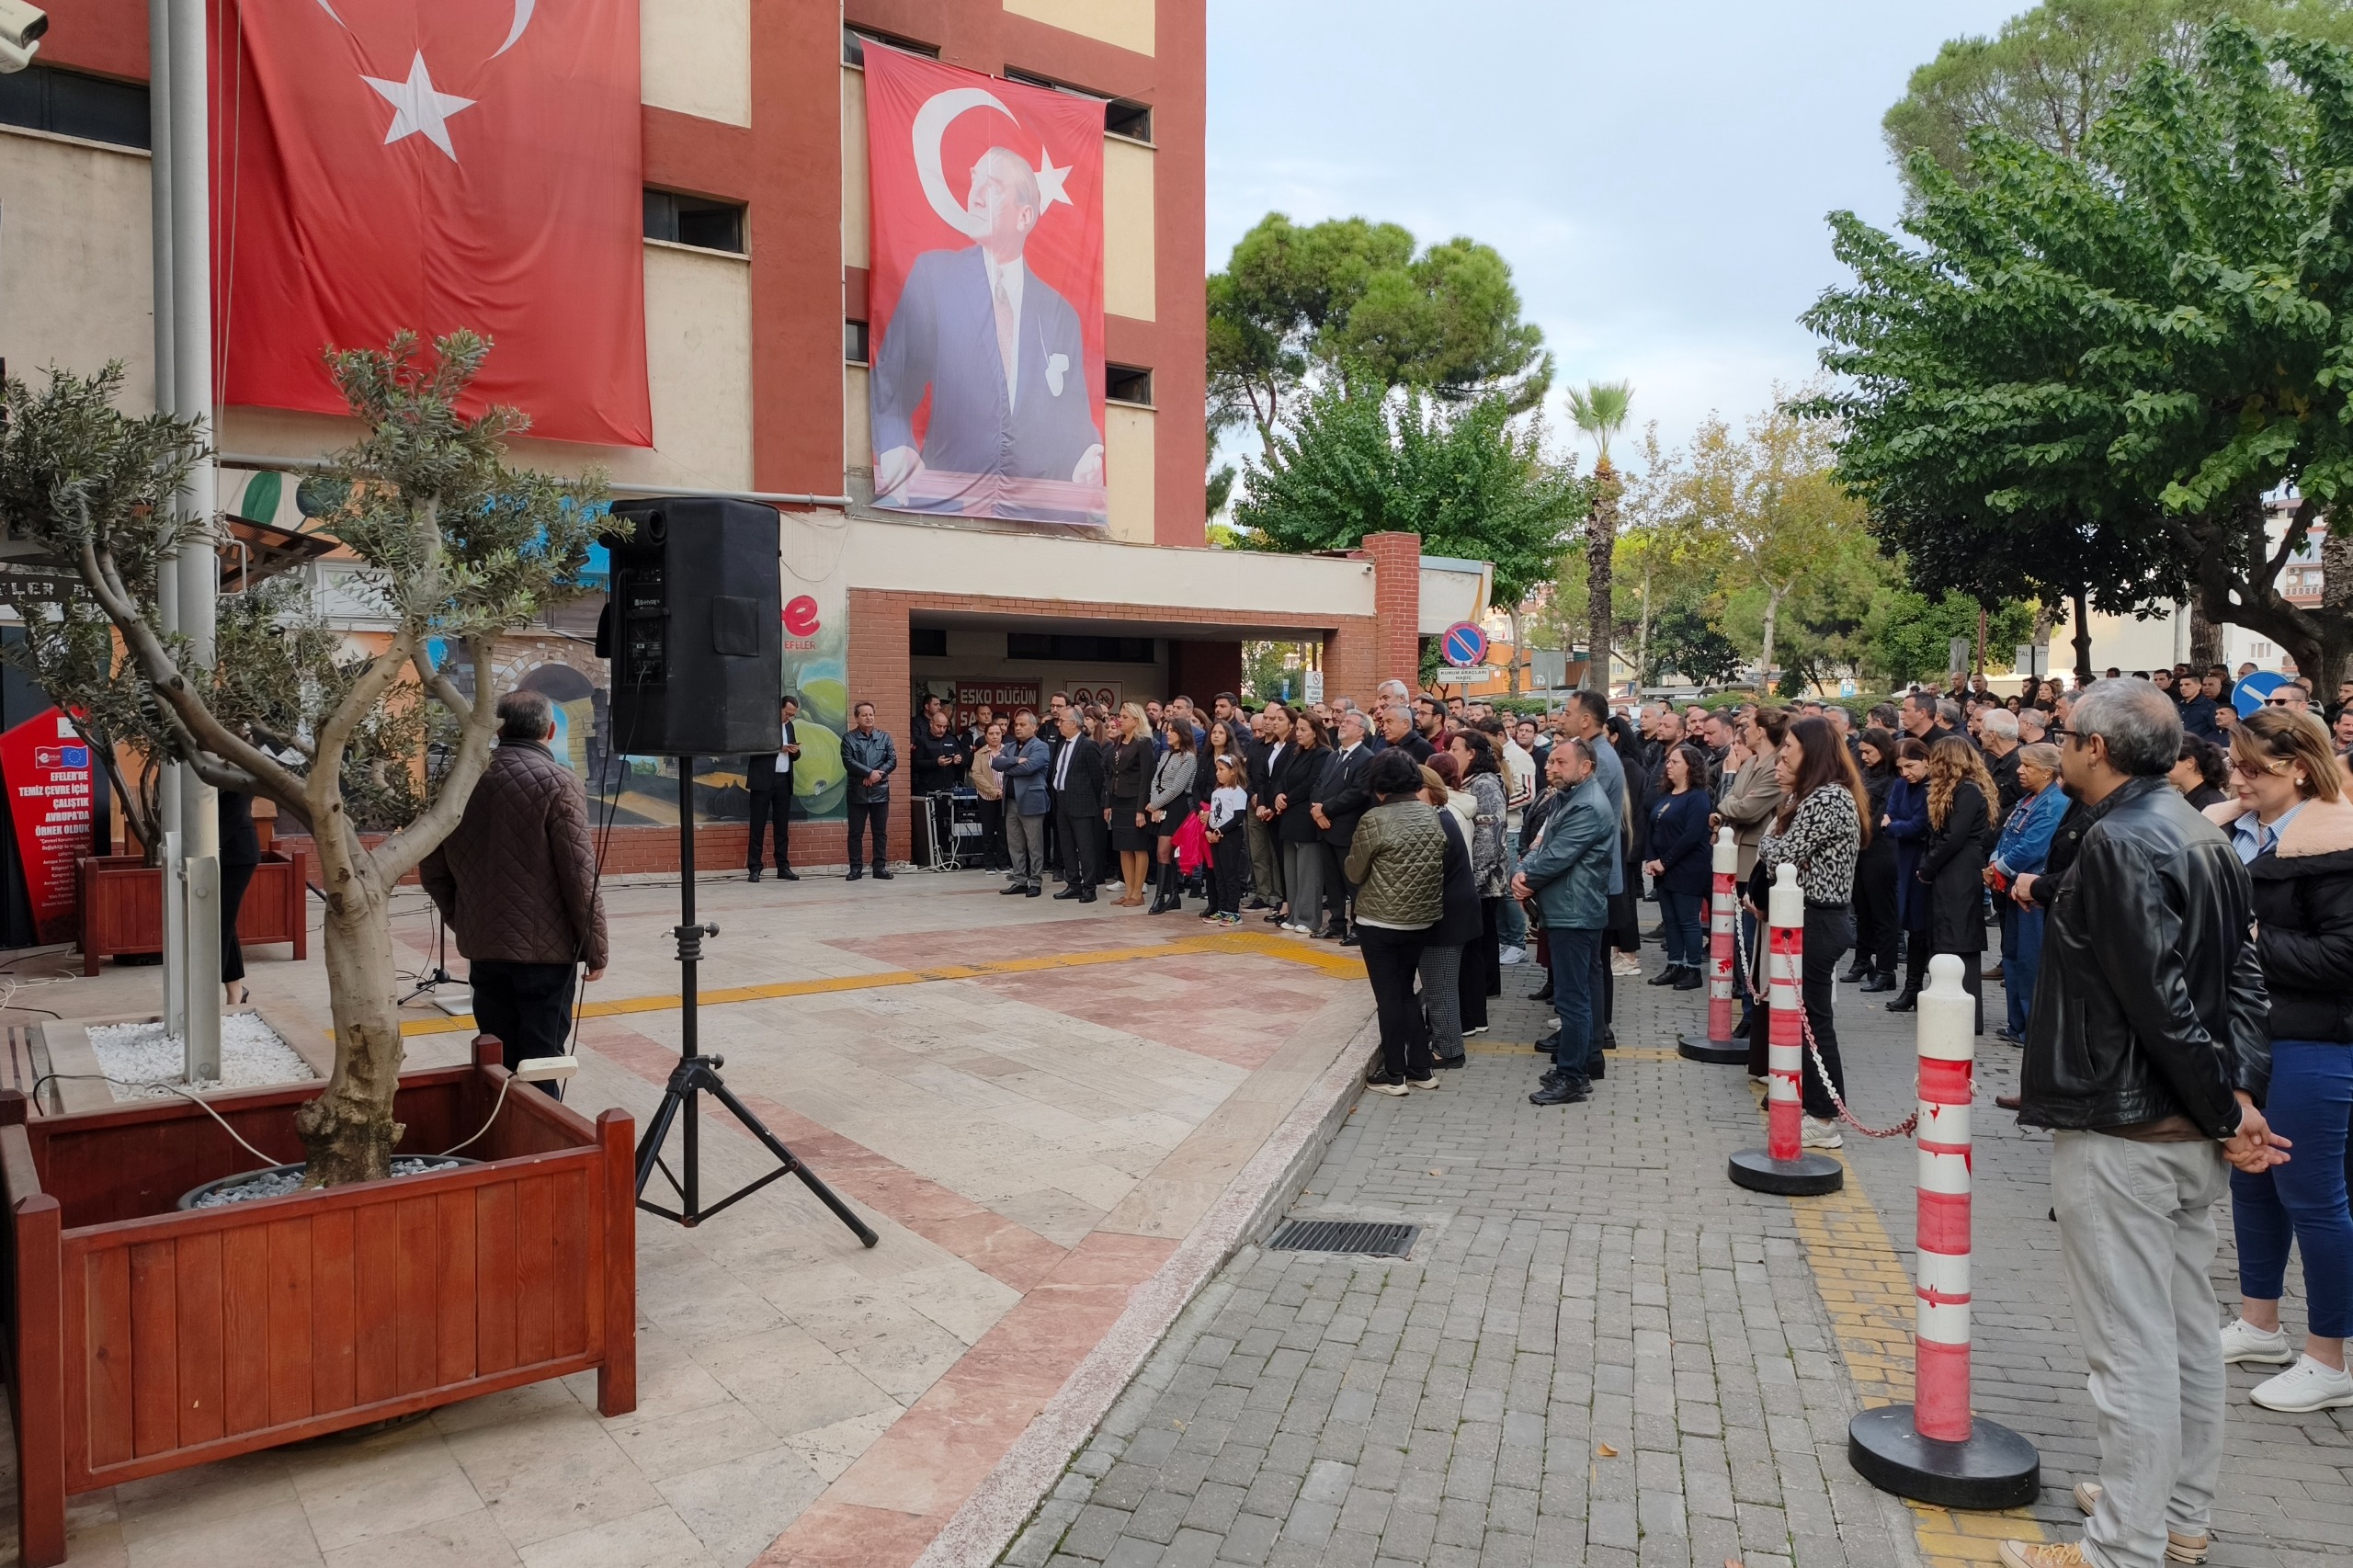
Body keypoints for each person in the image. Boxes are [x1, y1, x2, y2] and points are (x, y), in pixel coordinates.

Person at [2001, 679, 2282, 1568]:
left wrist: (2225, 1107)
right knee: (2183, 1331)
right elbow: (2240, 982)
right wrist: (2233, 1099)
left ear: (2095, 747)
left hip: (2127, 1127)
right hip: (2181, 1125)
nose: (2054, 743)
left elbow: (2160, 1000)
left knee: (2133, 1346)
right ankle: (2174, 1509)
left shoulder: (2126, 841)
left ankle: (2124, 1541)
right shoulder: (2202, 831)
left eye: (2066, 733)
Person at [2204, 710, 2353, 1413]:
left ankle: (2330, 1357)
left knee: (2314, 1196)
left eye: (2252, 768)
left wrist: (2250, 937)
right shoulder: (2245, 826)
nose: (2238, 777)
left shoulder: (2335, 838)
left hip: (2317, 1041)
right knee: (2253, 1182)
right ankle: (2260, 1322)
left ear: (2298, 767)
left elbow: (2342, 959)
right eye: (2235, 764)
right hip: (2257, 1035)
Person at [870, 148, 1106, 515]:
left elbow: (1072, 419)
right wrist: (895, 444)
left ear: (1024, 215)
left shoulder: (1060, 313)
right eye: (974, 178)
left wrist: (1088, 454)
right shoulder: (935, 278)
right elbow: (893, 379)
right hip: (946, 506)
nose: (974, 193)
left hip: (1036, 518)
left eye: (992, 186)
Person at [419, 690, 607, 1087]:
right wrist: (596, 950)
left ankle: (499, 1136)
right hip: (547, 953)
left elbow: (433, 868)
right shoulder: (559, 783)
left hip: (485, 947)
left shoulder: (462, 779)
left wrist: (465, 918)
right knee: (541, 1060)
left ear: (498, 729)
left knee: (495, 1054)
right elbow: (579, 876)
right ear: (550, 730)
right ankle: (541, 1144)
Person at [1753, 717, 1867, 1148]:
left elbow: (1781, 852)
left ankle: (1823, 1115)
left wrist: (1770, 835)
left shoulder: (1828, 799)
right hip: (1806, 916)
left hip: (1818, 918)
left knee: (1814, 1021)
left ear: (1813, 752)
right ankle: (1808, 1101)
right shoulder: (1814, 796)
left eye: (1790, 750)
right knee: (1803, 1019)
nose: (1782, 758)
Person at [1342, 750, 1448, 1095]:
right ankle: (1421, 1068)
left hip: (1380, 920)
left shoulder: (1374, 819)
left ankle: (1394, 1073)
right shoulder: (1431, 815)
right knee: (1404, 991)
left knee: (1388, 996)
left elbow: (1355, 870)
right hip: (1421, 918)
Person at [1515, 739, 1614, 1106]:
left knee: (1574, 999)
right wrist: (1525, 869)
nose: (1549, 767)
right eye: (1550, 761)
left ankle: (1572, 1076)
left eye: (1560, 762)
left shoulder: (1586, 804)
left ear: (1585, 767)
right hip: (1572, 909)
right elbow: (1541, 846)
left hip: (1574, 913)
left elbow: (1556, 857)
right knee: (1584, 990)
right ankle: (1587, 1061)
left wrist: (1523, 879)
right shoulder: (1569, 797)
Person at [1919, 734, 1998, 1034]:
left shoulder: (1967, 792)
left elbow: (1955, 837)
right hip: (1953, 869)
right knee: (1948, 934)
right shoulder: (1962, 790)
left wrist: (1928, 866)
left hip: (1960, 870)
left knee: (1959, 936)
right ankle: (1950, 1008)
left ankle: (1966, 1016)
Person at [1989, 743, 2066, 1045]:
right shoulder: (2029, 799)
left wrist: (2000, 868)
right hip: (2011, 889)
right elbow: (2007, 835)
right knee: (2012, 956)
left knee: (2030, 960)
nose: (2020, 771)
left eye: (2028, 766)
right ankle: (2015, 1022)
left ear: (2048, 772)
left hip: (2031, 893)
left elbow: (2033, 847)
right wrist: (1995, 863)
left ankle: (2030, 1027)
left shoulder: (2053, 804)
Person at [1415, 756, 1479, 1070]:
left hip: (1448, 917)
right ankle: (1445, 1043)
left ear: (1430, 790)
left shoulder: (1437, 821)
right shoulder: (1441, 816)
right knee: (1440, 985)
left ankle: (1448, 1051)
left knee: (1440, 987)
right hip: (1453, 913)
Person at [1449, 729, 1510, 1033]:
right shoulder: (1470, 782)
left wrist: (1471, 883)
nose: (1451, 753)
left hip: (1482, 885)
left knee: (1473, 951)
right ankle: (1474, 1014)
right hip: (1472, 884)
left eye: (1455, 748)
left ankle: (1473, 1018)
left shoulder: (1486, 786)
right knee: (1472, 950)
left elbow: (1490, 839)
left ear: (1471, 753)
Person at [1642, 742, 1713, 991]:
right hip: (1663, 869)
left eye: (1675, 762)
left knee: (1687, 920)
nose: (1668, 766)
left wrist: (1665, 861)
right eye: (1668, 762)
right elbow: (1653, 826)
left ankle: (1692, 969)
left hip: (1687, 868)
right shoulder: (1666, 795)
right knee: (1670, 921)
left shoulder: (1698, 798)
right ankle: (1674, 964)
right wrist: (1652, 858)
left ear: (1690, 767)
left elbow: (1692, 835)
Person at [1313, 710, 1376, 942]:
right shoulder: (1333, 755)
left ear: (1361, 731)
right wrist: (1316, 809)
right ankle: (1336, 923)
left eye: (1349, 723)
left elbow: (1357, 793)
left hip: (1346, 828)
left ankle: (1358, 926)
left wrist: (1325, 809)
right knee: (1333, 880)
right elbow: (1318, 784)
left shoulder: (1366, 757)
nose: (1342, 725)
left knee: (1352, 880)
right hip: (1325, 827)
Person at [1882, 737, 1934, 1009]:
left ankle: (1921, 987)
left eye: (1911, 766)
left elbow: (1919, 825)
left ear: (1926, 760)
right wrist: (1897, 825)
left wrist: (1893, 827)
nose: (1905, 773)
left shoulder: (1931, 787)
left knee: (1923, 927)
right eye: (1901, 768)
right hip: (1905, 858)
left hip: (1923, 859)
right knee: (1913, 927)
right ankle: (1911, 988)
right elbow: (1889, 814)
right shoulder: (1902, 785)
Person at [1848, 728, 1901, 994]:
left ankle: (1885, 969)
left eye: (1870, 752)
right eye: (1862, 752)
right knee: (1863, 909)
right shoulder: (1866, 773)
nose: (1865, 757)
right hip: (1861, 848)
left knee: (1882, 913)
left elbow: (1882, 815)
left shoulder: (1893, 779)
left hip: (1881, 849)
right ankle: (1862, 960)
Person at [1277, 712, 1336, 937]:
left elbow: (1311, 783)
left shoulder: (1322, 754)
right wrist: (1278, 796)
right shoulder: (1295, 752)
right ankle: (1294, 914)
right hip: (1289, 816)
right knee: (1292, 871)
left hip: (1306, 816)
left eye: (1303, 729)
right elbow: (1283, 778)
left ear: (1315, 731)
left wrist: (1288, 798)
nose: (1298, 733)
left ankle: (1309, 918)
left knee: (1308, 871)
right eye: (1297, 729)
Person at [992, 710, 1052, 896]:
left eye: (1023, 725)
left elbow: (1030, 767)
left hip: (1031, 801)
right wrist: (1016, 760)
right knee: (1015, 844)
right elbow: (995, 763)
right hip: (1010, 803)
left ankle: (1035, 882)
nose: (1018, 728)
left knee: (1034, 845)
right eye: (1016, 725)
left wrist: (1009, 768)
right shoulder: (1009, 746)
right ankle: (1019, 880)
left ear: (1034, 727)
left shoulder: (1040, 746)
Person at [1049, 708, 1106, 902]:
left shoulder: (1088, 746)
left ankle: (1089, 887)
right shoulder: (1061, 744)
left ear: (1073, 723)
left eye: (1062, 721)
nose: (1059, 724)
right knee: (1066, 845)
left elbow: (1098, 778)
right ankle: (1073, 883)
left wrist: (1094, 801)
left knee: (1085, 847)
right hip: (1062, 800)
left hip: (1082, 803)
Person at [745, 695, 802, 883]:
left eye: (792, 715)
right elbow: (753, 747)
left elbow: (792, 754)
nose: (789, 717)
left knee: (782, 826)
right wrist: (780, 748)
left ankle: (783, 867)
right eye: (787, 713)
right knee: (758, 825)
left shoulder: (790, 726)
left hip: (783, 780)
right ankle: (755, 867)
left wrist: (795, 750)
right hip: (762, 780)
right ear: (778, 709)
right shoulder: (762, 724)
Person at [1145, 719, 1199, 914]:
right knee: (1163, 851)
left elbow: (1178, 787)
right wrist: (1155, 804)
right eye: (1167, 730)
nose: (1167, 734)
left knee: (1164, 849)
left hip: (1177, 806)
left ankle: (1160, 896)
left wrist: (1155, 804)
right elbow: (1155, 781)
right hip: (1161, 804)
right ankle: (1173, 895)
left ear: (1182, 733)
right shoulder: (1166, 755)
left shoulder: (1189, 758)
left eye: (1172, 731)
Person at [841, 701, 896, 881]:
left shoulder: (884, 737)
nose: (868, 717)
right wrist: (868, 772)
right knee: (855, 832)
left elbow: (892, 760)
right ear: (856, 718)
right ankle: (855, 868)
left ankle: (879, 868)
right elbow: (848, 761)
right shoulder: (848, 738)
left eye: (871, 714)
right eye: (864, 715)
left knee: (880, 832)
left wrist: (877, 775)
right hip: (857, 792)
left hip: (880, 791)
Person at [1107, 703, 1155, 907]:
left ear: (1136, 720)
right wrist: (1108, 803)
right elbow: (1112, 772)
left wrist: (1140, 809)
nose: (1120, 720)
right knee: (1123, 847)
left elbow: (1146, 777)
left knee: (1138, 846)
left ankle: (1138, 892)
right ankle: (1128, 892)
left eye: (1125, 717)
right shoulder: (1118, 741)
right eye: (1120, 716)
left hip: (1135, 800)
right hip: (1118, 799)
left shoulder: (1143, 743)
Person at [219, 788, 261, 1006]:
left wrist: (206, 845)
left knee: (220, 924)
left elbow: (235, 809)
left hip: (235, 854)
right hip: (210, 853)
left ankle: (206, 994)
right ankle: (236, 991)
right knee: (222, 923)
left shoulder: (235, 763)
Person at [1249, 705, 1292, 921]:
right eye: (1269, 718)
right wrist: (1257, 800)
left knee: (1281, 856)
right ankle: (1273, 897)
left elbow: (1281, 779)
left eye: (1277, 719)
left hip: (1280, 807)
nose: (1271, 722)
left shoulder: (1291, 748)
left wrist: (1271, 804)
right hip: (1262, 806)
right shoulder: (1264, 747)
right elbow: (1256, 778)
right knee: (1265, 852)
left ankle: (1283, 898)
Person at [1203, 753, 1252, 926]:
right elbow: (1213, 815)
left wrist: (1219, 831)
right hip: (1216, 836)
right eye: (1217, 769)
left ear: (1233, 771)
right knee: (1219, 874)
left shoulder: (1238, 792)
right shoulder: (1216, 792)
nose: (1218, 773)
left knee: (1230, 874)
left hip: (1230, 836)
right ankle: (1222, 908)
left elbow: (1238, 817)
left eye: (1222, 769)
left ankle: (1233, 911)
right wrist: (1209, 831)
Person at [968, 719, 1007, 870]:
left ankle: (1003, 863)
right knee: (988, 831)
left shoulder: (1008, 750)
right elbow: (976, 775)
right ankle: (989, 864)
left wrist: (1004, 791)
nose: (995, 736)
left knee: (1004, 831)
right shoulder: (980, 753)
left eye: (998, 733)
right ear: (986, 736)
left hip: (1005, 797)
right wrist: (994, 790)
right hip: (987, 797)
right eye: (991, 733)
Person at [2168, 736, 2231, 810]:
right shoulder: (2194, 798)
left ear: (2190, 763)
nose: (2163, 766)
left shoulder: (2211, 804)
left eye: (2169, 760)